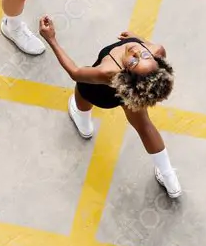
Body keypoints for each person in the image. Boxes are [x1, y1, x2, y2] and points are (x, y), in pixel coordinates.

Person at [37, 16, 182, 198]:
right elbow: (143, 47)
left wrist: (51, 39)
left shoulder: (107, 71)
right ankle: (169, 177)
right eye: (143, 55)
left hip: (102, 95)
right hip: (128, 97)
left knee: (82, 92)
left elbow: (75, 73)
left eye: (133, 61)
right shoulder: (156, 50)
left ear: (126, 76)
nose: (135, 50)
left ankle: (84, 124)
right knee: (144, 126)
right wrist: (137, 38)